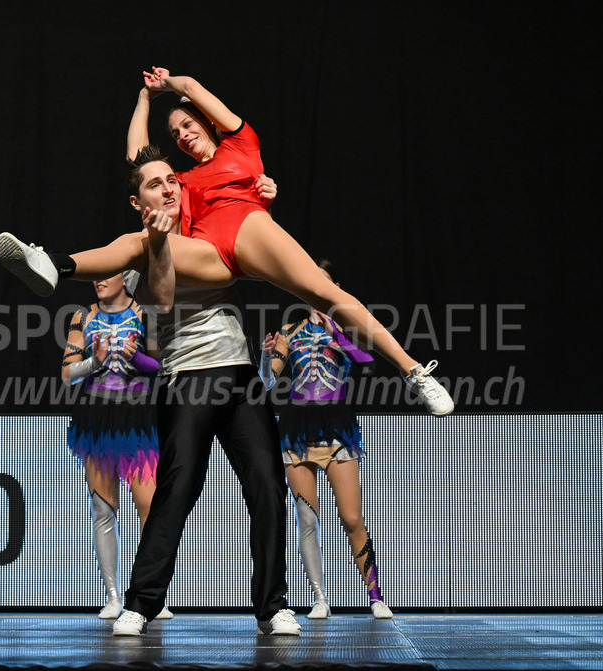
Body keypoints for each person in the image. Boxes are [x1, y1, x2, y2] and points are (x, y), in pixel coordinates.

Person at [0, 67, 452, 417]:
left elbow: (192, 87)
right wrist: (142, 100)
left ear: (208, 123)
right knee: (140, 242)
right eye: (175, 133)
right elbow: (137, 157)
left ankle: (412, 371)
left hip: (247, 229)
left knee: (324, 293)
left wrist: (167, 85)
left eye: (189, 126)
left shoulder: (241, 146)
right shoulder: (182, 182)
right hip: (212, 254)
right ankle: (54, 265)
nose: (183, 135)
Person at [110, 146, 300, 637]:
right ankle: (141, 603)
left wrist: (262, 203)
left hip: (239, 375)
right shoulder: (139, 250)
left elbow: (249, 238)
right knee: (176, 491)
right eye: (154, 184)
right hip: (187, 379)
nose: (169, 187)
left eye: (172, 179)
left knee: (267, 484)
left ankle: (272, 605)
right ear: (138, 203)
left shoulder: (207, 231)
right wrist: (158, 239)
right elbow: (162, 297)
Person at [260, 259, 393, 620]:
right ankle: (319, 597)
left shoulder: (348, 327)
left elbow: (366, 359)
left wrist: (336, 331)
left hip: (337, 428)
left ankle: (376, 595)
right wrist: (264, 356)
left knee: (352, 517)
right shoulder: (290, 330)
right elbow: (267, 381)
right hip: (297, 429)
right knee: (307, 519)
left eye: (324, 283)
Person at [62, 273, 171, 619]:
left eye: (106, 275)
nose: (98, 281)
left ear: (126, 278)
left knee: (150, 509)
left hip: (137, 418)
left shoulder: (144, 314)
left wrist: (136, 358)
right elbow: (67, 373)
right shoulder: (83, 316)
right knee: (103, 509)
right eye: (97, 276)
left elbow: (162, 367)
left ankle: (150, 594)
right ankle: (112, 595)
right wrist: (95, 361)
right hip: (97, 419)